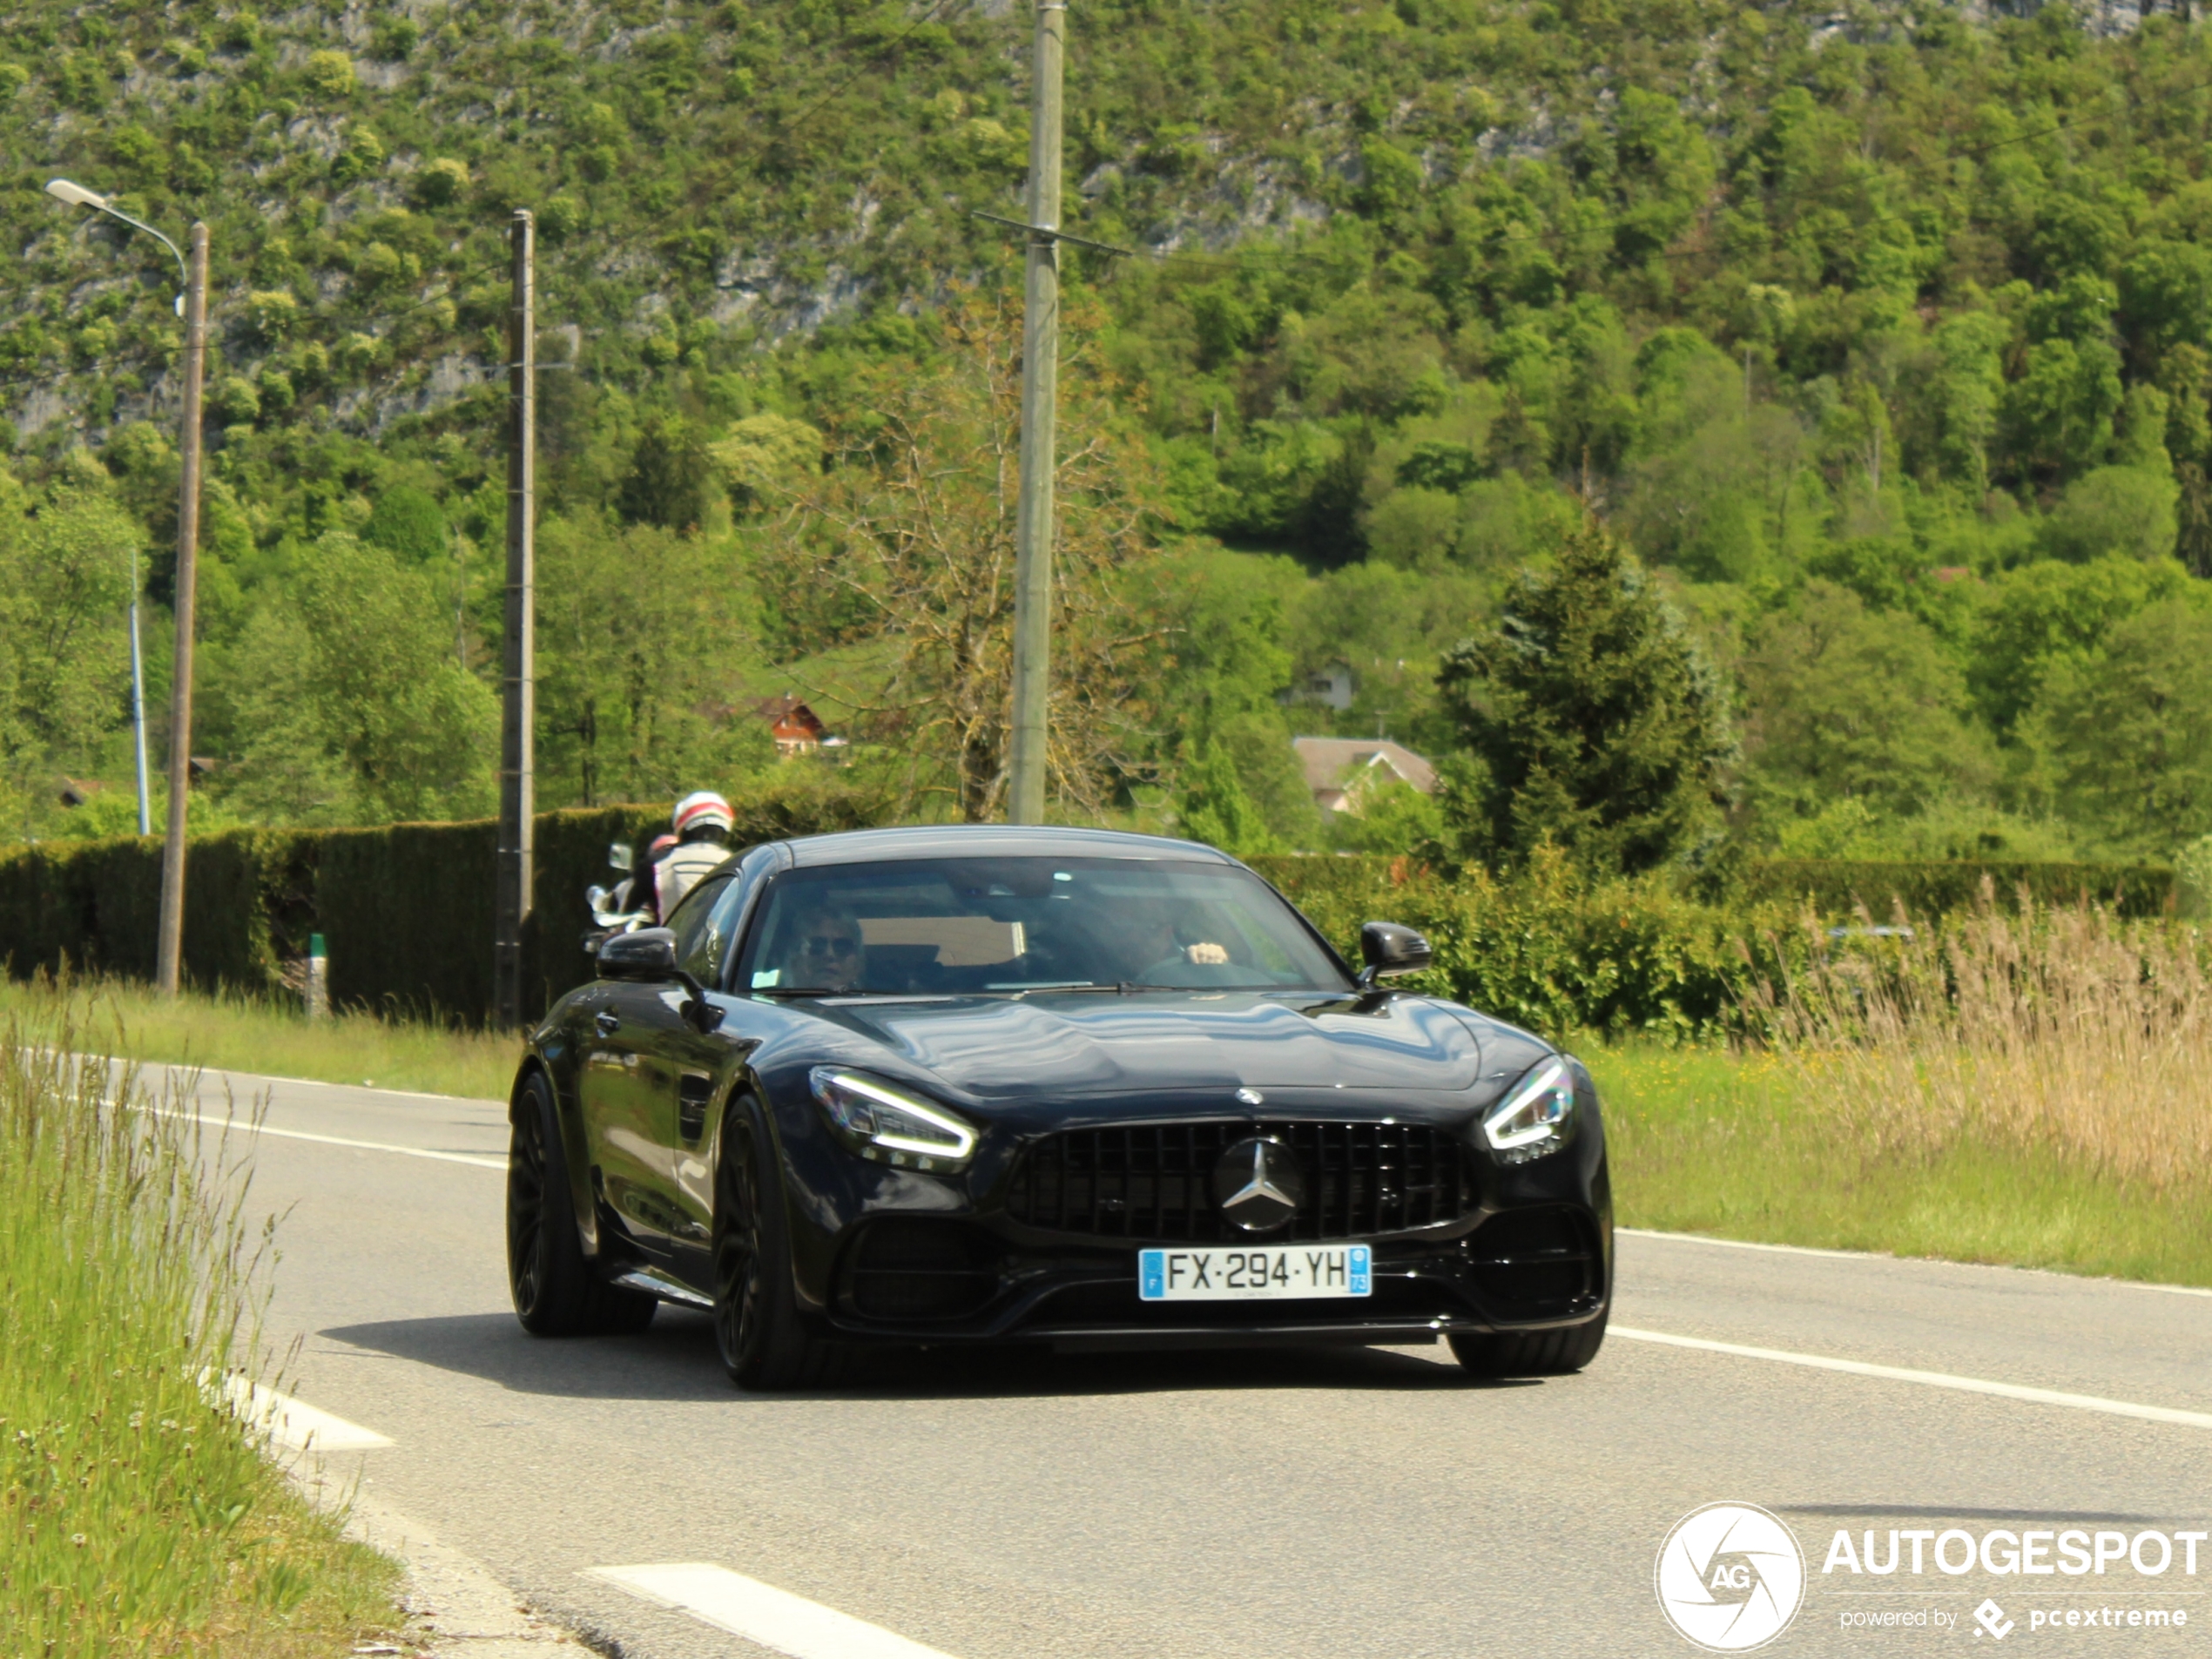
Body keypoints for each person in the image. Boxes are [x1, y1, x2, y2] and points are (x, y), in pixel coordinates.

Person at [656, 791, 734, 918]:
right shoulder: (740, 862)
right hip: (725, 937)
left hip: (672, 936)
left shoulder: (660, 863)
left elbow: (627, 907)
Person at [788, 903, 868, 993]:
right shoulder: (770, 1004)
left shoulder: (875, 1005)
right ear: (795, 961)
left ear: (858, 966)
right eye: (817, 945)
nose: (829, 954)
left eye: (842, 946)